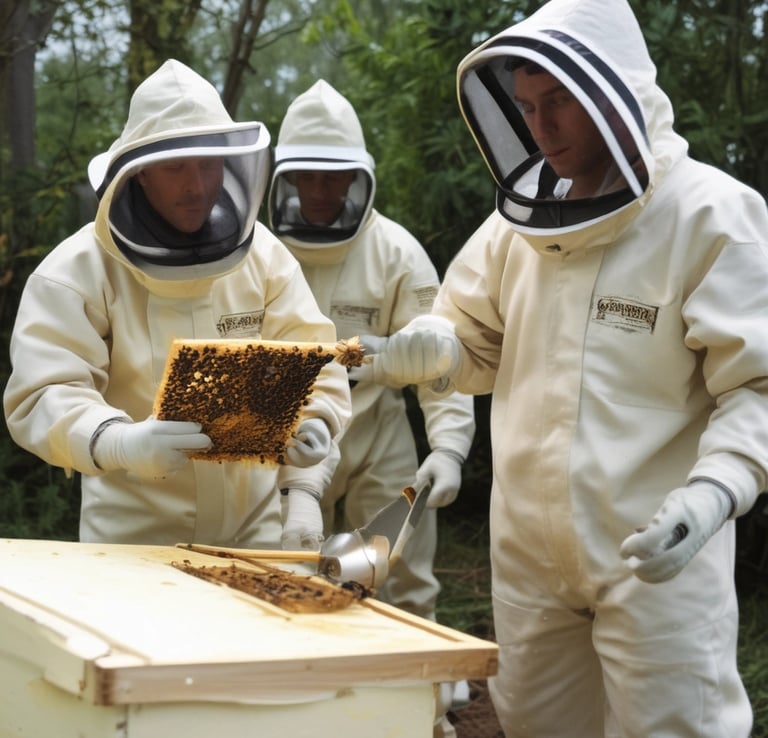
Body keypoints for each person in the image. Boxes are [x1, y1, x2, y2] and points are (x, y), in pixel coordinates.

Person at [356, 0, 768, 736]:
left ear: (616, 94)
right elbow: (471, 341)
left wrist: (715, 492)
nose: (540, 129)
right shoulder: (515, 228)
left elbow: (757, 385)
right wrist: (436, 349)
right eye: (525, 107)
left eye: (558, 105)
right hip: (526, 557)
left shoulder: (713, 215)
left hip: (656, 555)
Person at [3, 60, 350, 552]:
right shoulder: (78, 270)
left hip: (254, 531)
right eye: (175, 167)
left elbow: (314, 362)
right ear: (140, 173)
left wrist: (306, 471)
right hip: (132, 542)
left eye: (208, 165)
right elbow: (43, 393)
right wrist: (119, 441)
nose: (196, 186)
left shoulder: (266, 257)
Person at [267, 80, 476, 623]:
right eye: (307, 176)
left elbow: (437, 357)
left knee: (398, 571)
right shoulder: (262, 251)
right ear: (282, 178)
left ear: (358, 178)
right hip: (286, 432)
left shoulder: (397, 253)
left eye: (333, 177)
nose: (319, 190)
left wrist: (449, 445)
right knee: (283, 568)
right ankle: (300, 692)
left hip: (378, 433)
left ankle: (420, 703)